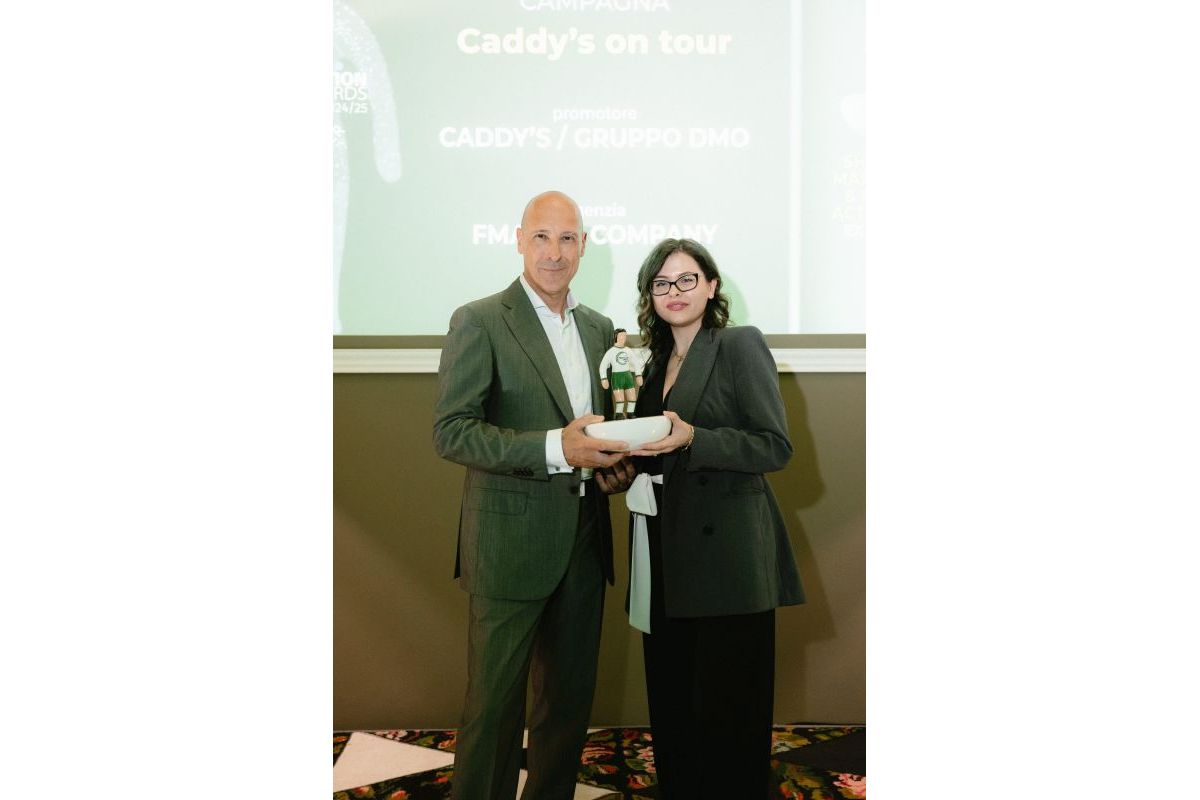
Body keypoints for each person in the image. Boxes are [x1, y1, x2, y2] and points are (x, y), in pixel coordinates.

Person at [432, 190, 636, 800]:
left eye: (567, 238)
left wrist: (613, 470)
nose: (554, 252)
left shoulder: (600, 329)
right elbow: (452, 431)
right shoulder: (480, 319)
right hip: (508, 543)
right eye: (542, 237)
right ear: (519, 240)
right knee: (493, 709)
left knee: (567, 706)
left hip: (585, 539)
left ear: (583, 245)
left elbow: (597, 434)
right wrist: (555, 448)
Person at [624, 238, 805, 799]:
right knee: (673, 699)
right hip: (663, 546)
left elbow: (774, 446)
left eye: (686, 279)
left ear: (711, 285)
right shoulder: (651, 364)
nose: (674, 292)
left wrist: (693, 439)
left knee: (729, 710)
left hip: (727, 555)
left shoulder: (738, 344)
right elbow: (652, 453)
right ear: (650, 296)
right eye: (661, 283)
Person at [597, 328, 645, 419]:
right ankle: (619, 414)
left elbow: (636, 363)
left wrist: (638, 375)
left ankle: (630, 413)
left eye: (625, 336)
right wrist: (604, 378)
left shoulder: (628, 350)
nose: (623, 338)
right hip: (617, 377)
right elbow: (603, 366)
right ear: (616, 337)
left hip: (628, 376)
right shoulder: (611, 352)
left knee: (632, 397)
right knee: (619, 399)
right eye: (621, 336)